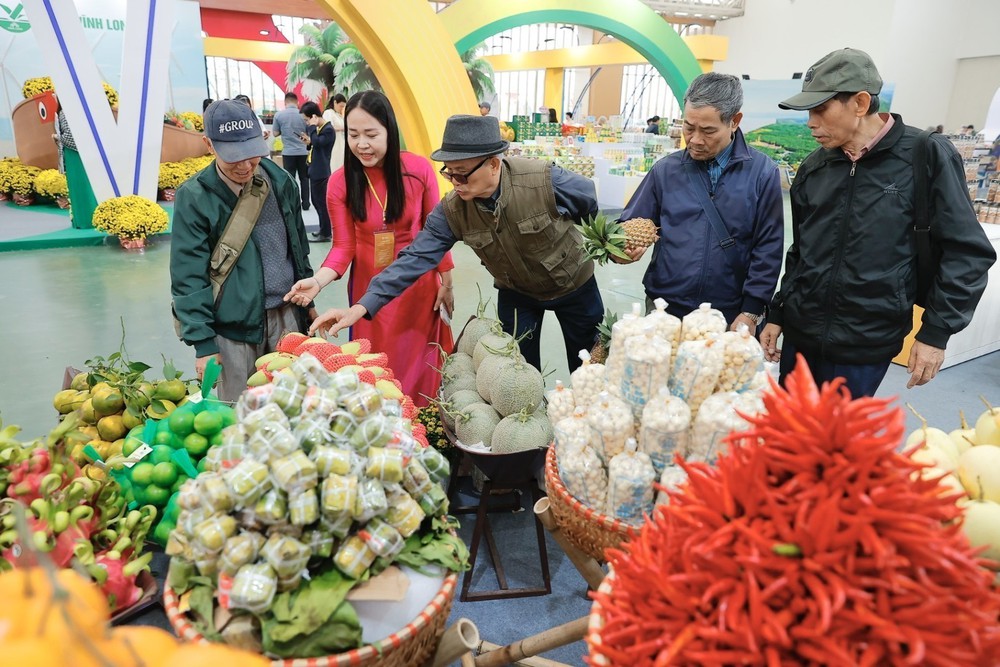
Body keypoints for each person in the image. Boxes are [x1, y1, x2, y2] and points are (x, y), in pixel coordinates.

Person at [761, 48, 996, 397]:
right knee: (787, 438)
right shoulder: (814, 168)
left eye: (820, 109)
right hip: (802, 336)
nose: (811, 122)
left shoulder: (925, 155)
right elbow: (801, 251)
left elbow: (967, 252)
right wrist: (778, 312)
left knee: (842, 444)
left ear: (859, 102)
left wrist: (935, 332)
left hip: (866, 342)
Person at [301, 114, 605, 374]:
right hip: (518, 295)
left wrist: (609, 242)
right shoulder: (453, 210)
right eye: (449, 174)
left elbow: (587, 198)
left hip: (574, 287)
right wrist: (361, 307)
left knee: (589, 369)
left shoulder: (541, 179)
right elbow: (414, 259)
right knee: (519, 373)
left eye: (462, 175)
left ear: (494, 164)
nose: (455, 183)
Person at [283, 91, 455, 405]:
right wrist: (318, 281)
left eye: (372, 134)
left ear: (390, 130)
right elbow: (343, 247)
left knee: (421, 367)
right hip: (366, 290)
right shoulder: (340, 182)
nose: (362, 144)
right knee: (376, 369)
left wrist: (447, 280)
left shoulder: (418, 170)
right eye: (354, 134)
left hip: (417, 286)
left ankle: (424, 428)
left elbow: (437, 233)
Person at [171, 99, 316, 401]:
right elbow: (188, 274)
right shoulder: (195, 197)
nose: (245, 165)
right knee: (237, 413)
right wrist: (203, 343)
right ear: (208, 145)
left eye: (251, 154)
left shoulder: (281, 182)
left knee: (292, 406)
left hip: (286, 316)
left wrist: (308, 303)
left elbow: (298, 245)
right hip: (232, 330)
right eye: (233, 156)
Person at [616, 72, 784, 330]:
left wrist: (751, 310)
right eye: (688, 127)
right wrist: (622, 250)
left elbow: (768, 247)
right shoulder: (665, 171)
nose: (694, 139)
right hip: (666, 308)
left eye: (707, 131)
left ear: (734, 121)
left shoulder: (762, 173)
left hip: (729, 311)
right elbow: (630, 222)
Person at [299, 101, 335, 243]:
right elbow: (316, 144)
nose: (307, 123)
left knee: (321, 203)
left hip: (322, 172)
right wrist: (309, 142)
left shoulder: (328, 129)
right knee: (316, 202)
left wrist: (312, 128)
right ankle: (322, 229)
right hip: (315, 170)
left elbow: (320, 143)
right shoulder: (320, 129)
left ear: (314, 116)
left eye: (307, 120)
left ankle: (326, 233)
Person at [271, 92, 311, 212]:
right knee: (304, 178)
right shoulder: (303, 115)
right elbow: (309, 133)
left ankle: (293, 203)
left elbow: (275, 133)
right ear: (297, 102)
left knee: (290, 179)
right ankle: (306, 204)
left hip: (288, 152)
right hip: (303, 151)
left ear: (285, 102)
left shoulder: (279, 115)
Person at [323, 93, 348, 175]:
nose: (342, 108)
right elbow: (328, 128)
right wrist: (342, 128)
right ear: (335, 103)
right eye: (340, 106)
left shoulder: (339, 115)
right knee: (334, 166)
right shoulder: (328, 113)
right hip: (334, 145)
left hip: (341, 145)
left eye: (343, 107)